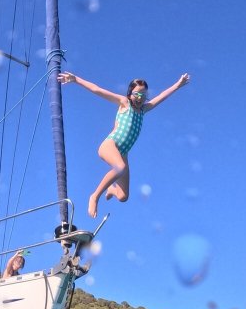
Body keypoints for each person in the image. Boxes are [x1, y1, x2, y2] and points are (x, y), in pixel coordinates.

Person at [58, 71, 191, 217]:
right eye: (137, 94)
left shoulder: (143, 110)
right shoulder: (124, 103)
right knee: (119, 167)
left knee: (123, 196)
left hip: (123, 153)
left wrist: (178, 85)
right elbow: (98, 90)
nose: (140, 99)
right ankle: (94, 196)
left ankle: (112, 189)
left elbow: (162, 97)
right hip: (110, 145)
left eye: (143, 96)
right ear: (129, 93)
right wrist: (76, 79)